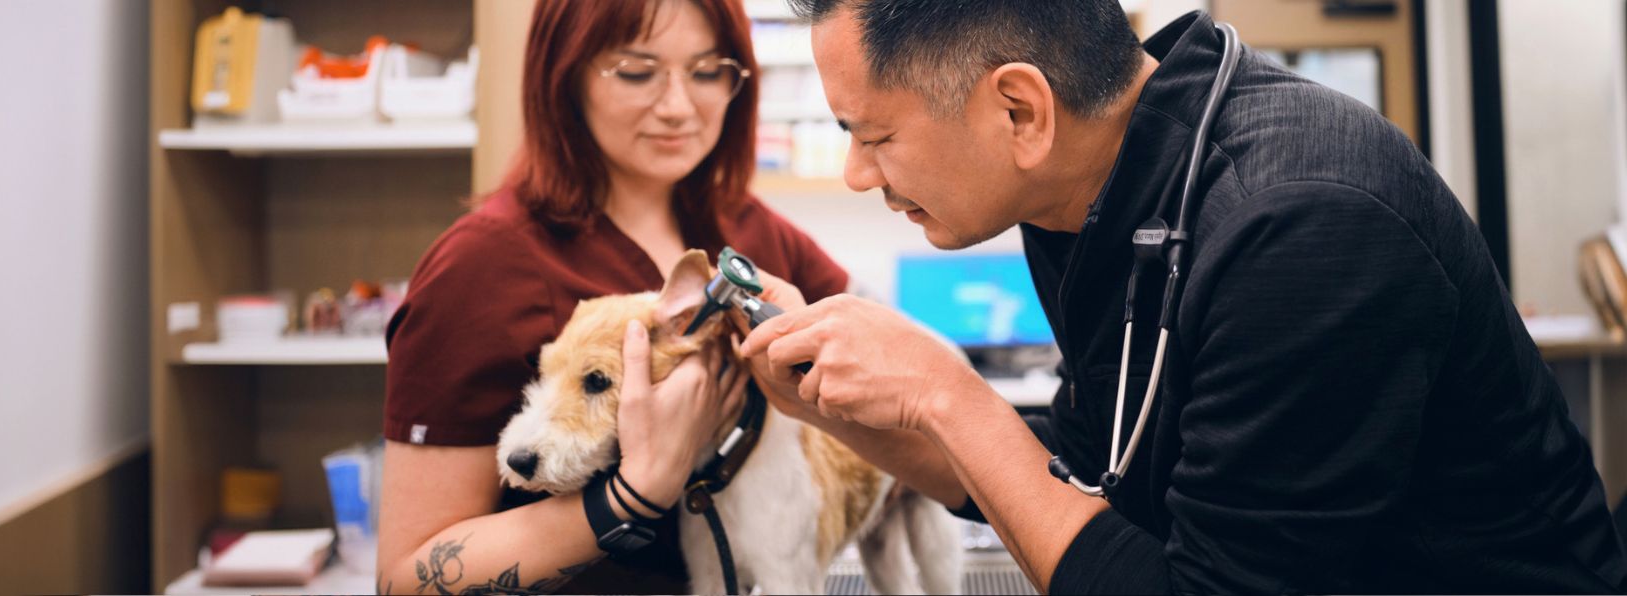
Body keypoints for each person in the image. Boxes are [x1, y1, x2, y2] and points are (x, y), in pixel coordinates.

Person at [735, 0, 1627, 593]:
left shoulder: (1302, 225)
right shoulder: (1087, 192)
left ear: (1020, 112)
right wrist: (844, 410)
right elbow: (1091, 469)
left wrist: (946, 392)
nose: (856, 174)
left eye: (875, 134)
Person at [376, 0, 850, 593]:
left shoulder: (749, 232)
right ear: (563, 73)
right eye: (635, 71)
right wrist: (633, 493)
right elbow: (404, 579)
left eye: (707, 72)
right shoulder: (480, 268)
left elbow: (869, 360)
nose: (679, 107)